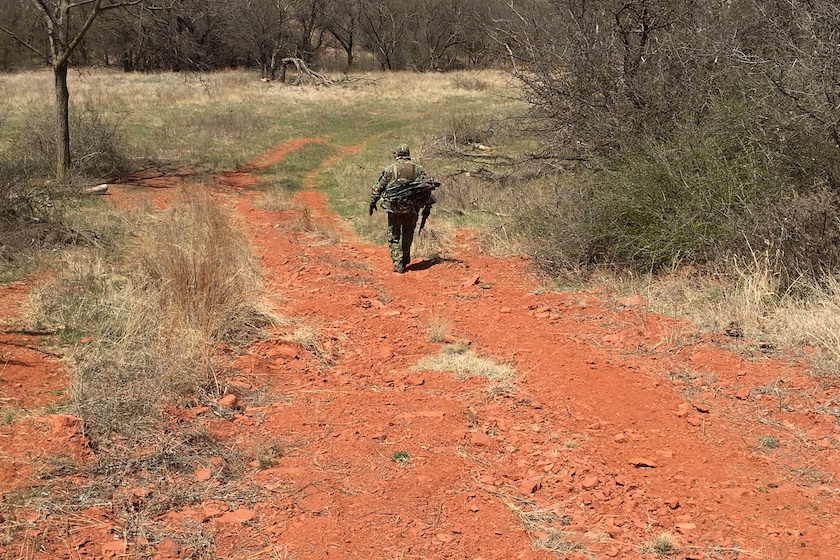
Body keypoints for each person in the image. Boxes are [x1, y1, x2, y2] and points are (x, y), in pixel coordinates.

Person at [369, 144, 435, 274]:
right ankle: (405, 258)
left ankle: (398, 262)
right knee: (408, 233)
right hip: (412, 208)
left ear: (397, 154)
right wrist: (426, 206)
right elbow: (426, 188)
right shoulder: (418, 169)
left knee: (394, 235)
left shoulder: (389, 169)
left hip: (394, 208)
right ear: (408, 154)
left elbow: (378, 188)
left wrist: (372, 203)